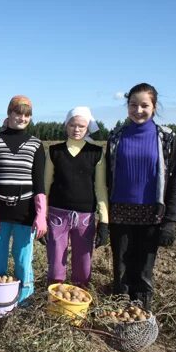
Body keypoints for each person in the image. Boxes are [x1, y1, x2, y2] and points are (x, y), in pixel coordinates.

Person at [106, 83, 176, 310]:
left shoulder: (167, 138)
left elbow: (175, 181)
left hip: (152, 213)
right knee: (121, 265)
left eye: (144, 105)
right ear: (127, 106)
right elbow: (106, 177)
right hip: (119, 210)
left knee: (144, 267)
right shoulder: (116, 136)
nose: (138, 110)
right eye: (133, 105)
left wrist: (170, 221)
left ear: (154, 107)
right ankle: (120, 309)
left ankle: (142, 310)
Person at [0, 95, 47, 304]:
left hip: (25, 212)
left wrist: (41, 214)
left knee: (23, 260)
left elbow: (39, 183)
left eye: (26, 115)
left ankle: (24, 300)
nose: (22, 118)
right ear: (9, 113)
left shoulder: (35, 145)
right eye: (18, 113)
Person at [43, 107, 109, 288]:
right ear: (66, 125)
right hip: (57, 215)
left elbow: (100, 188)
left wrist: (104, 221)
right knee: (56, 263)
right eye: (72, 124)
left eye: (81, 125)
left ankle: (79, 298)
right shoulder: (54, 151)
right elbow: (46, 186)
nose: (77, 129)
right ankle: (56, 297)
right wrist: (41, 216)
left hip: (85, 218)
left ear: (88, 127)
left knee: (83, 262)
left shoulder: (95, 153)